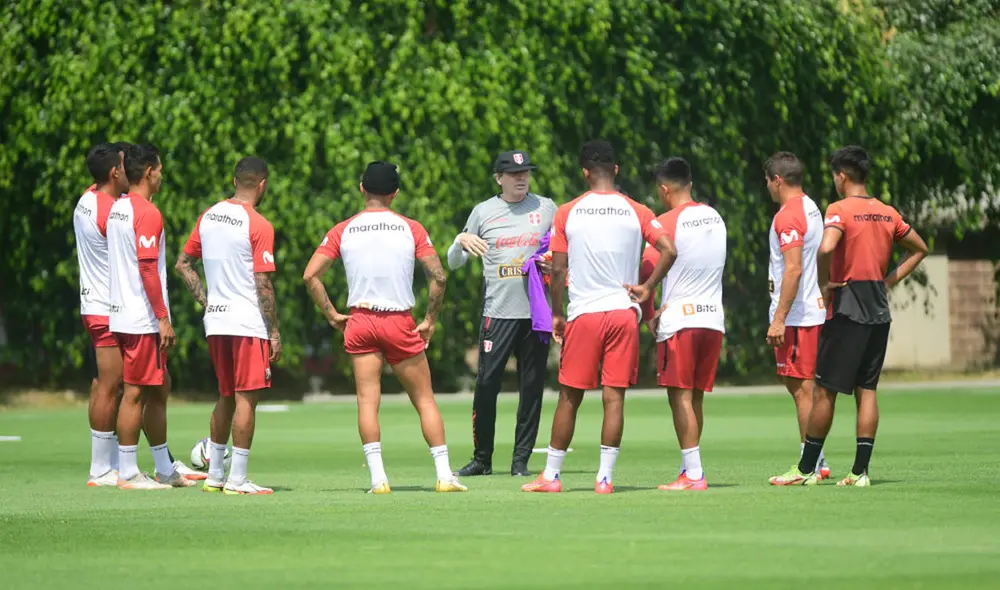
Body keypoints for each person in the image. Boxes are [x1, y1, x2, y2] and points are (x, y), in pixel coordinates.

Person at [521, 140, 677, 495]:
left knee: (569, 397)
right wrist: (648, 286)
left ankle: (552, 477)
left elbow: (557, 271)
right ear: (616, 170)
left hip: (585, 314)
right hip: (624, 314)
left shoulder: (567, 212)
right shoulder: (636, 210)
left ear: (584, 172)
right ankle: (605, 479)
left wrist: (557, 313)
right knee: (614, 397)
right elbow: (669, 248)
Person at [303, 161, 467, 494]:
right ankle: (445, 475)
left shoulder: (342, 229)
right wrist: (430, 319)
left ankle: (378, 480)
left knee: (367, 402)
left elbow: (310, 275)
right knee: (424, 400)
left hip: (360, 320)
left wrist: (332, 314)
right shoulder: (411, 228)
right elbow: (438, 276)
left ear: (362, 189)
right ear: (395, 193)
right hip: (399, 320)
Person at [770, 146, 929, 487]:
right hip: (878, 309)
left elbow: (826, 247)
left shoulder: (840, 209)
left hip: (848, 306)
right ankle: (859, 472)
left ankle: (806, 468)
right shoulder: (887, 212)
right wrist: (889, 280)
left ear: (842, 175)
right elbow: (920, 248)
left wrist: (826, 283)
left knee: (825, 390)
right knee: (866, 390)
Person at [446, 150, 557, 477]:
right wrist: (459, 241)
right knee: (487, 384)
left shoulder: (546, 207)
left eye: (525, 173)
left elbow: (560, 251)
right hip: (498, 312)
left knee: (533, 386)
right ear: (499, 178)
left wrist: (554, 263)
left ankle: (520, 461)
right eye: (513, 173)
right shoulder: (483, 212)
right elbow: (455, 263)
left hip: (536, 312)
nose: (521, 178)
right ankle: (482, 459)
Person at [175, 156, 280, 495]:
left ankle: (216, 475)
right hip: (247, 322)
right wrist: (274, 331)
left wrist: (207, 302)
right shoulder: (259, 224)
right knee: (246, 399)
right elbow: (263, 284)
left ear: (235, 181)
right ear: (261, 184)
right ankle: (237, 479)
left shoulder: (209, 215)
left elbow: (183, 265)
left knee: (225, 397)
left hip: (216, 320)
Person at [107, 143, 194, 490]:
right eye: (159, 169)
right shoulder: (147, 212)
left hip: (123, 313)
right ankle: (127, 472)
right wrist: (162, 317)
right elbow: (146, 268)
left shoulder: (118, 209)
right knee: (135, 394)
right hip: (140, 318)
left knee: (159, 389)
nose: (162, 175)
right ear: (148, 172)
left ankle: (164, 468)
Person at [638, 158, 726, 491]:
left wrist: (648, 313)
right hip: (713, 318)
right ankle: (690, 467)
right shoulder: (716, 217)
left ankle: (693, 474)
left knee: (680, 398)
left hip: (681, 319)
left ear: (664, 189)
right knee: (696, 398)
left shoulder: (665, 223)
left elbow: (647, 270)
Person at [763, 152, 831, 479]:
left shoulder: (789, 215)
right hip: (809, 310)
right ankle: (819, 459)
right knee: (805, 387)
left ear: (777, 179)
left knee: (802, 389)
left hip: (798, 317)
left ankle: (810, 464)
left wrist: (779, 318)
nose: (767, 188)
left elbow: (793, 269)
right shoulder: (811, 206)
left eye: (767, 181)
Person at [75, 143, 130, 486]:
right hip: (107, 308)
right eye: (125, 167)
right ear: (114, 173)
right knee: (113, 385)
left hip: (92, 303)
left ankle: (107, 463)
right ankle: (100, 468)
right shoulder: (112, 213)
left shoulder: (87, 197)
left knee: (105, 384)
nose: (130, 172)